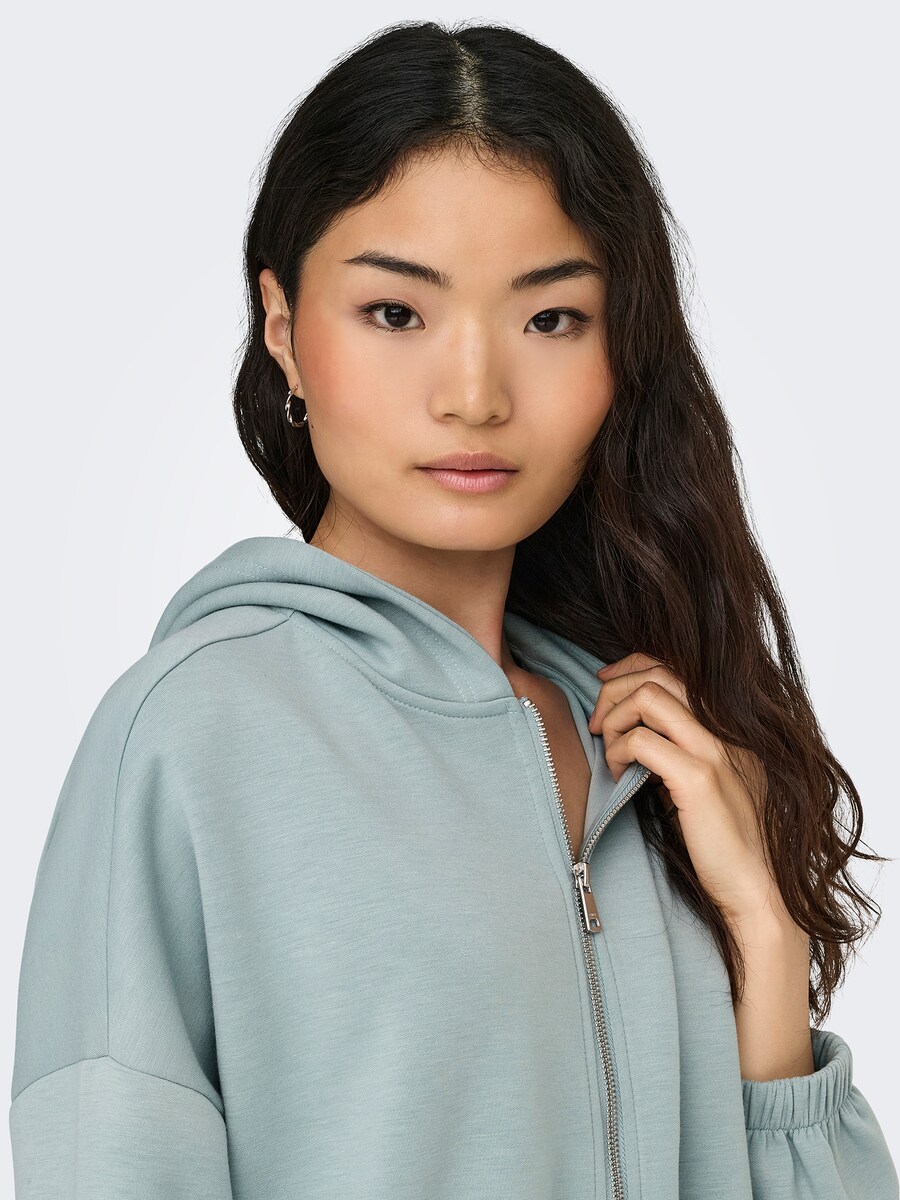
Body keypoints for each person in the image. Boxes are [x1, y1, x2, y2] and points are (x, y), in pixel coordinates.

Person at [9, 18, 898, 1200]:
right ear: (284, 330)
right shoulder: (193, 735)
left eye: (549, 319)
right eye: (396, 313)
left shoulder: (652, 751)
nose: (474, 395)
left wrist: (767, 943)